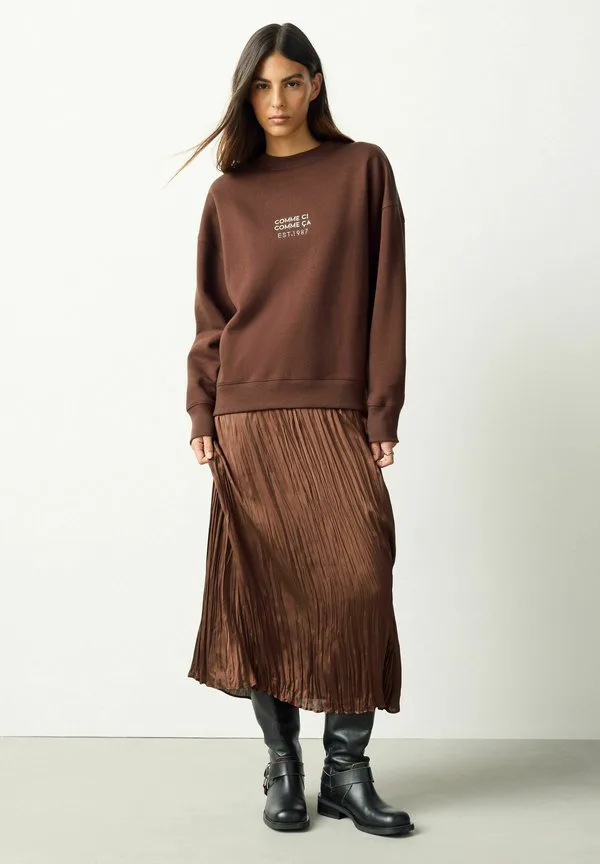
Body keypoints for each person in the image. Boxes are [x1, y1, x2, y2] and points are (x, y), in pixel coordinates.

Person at [172, 22, 414, 837]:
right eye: (260, 86)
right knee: (263, 596)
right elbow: (213, 317)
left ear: (315, 84)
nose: (275, 100)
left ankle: (348, 772)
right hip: (246, 413)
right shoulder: (229, 195)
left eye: (290, 82)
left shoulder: (362, 169)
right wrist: (200, 406)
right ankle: (285, 766)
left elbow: (386, 294)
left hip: (335, 409)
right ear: (246, 95)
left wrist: (381, 407)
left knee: (358, 583)